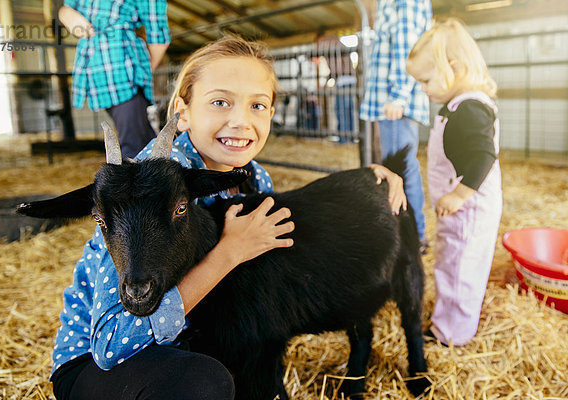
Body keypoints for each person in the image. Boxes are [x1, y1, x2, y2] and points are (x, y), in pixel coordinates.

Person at [49, 36, 408, 400]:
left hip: (192, 340)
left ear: (271, 114)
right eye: (220, 102)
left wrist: (367, 179)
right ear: (182, 112)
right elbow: (112, 345)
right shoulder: (139, 188)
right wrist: (229, 252)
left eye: (257, 105)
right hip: (101, 369)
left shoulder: (252, 178)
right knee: (204, 384)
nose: (240, 121)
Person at [406, 18, 502, 346]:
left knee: (461, 269)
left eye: (426, 80)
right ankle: (449, 319)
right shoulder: (458, 105)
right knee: (451, 262)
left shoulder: (470, 109)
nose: (423, 89)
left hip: (468, 210)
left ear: (454, 67)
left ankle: (451, 335)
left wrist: (459, 196)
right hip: (458, 210)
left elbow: (482, 157)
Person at [359, 0, 432, 252]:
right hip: (391, 100)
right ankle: (410, 233)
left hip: (395, 101)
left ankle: (414, 236)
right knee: (399, 167)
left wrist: (399, 95)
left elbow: (407, 47)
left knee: (401, 168)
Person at [58, 0, 170, 158]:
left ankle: (135, 178)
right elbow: (66, 8)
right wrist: (69, 16)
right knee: (143, 140)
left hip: (122, 72)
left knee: (133, 146)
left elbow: (159, 38)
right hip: (95, 71)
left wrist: (144, 70)